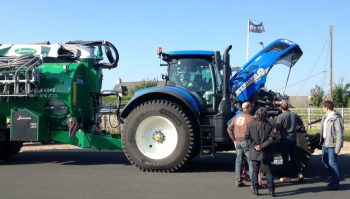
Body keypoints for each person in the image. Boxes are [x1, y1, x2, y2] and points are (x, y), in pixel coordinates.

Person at [245, 107, 275, 196]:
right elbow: (271, 138)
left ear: (257, 114)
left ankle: (255, 189)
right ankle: (271, 190)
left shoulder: (251, 124)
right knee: (269, 171)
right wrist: (261, 146)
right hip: (266, 150)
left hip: (255, 151)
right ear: (266, 115)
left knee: (255, 170)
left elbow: (247, 137)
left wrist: (256, 146)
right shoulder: (269, 125)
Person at [275, 100, 304, 182]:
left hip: (284, 139)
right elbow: (301, 124)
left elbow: (277, 129)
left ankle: (286, 176)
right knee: (294, 157)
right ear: (288, 107)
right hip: (293, 138)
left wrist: (274, 131)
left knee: (285, 158)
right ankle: (299, 174)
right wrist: (300, 128)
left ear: (281, 108)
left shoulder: (280, 117)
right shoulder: (294, 115)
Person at [227, 102, 253, 187]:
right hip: (246, 141)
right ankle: (254, 183)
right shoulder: (251, 118)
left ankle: (238, 181)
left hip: (238, 141)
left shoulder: (236, 117)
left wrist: (233, 139)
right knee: (250, 162)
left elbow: (229, 128)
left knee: (238, 161)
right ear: (248, 107)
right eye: (250, 107)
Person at [320, 100, 344, 190]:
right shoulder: (325, 116)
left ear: (326, 108)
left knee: (332, 163)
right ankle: (334, 178)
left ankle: (336, 182)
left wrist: (338, 148)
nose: (322, 108)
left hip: (332, 144)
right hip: (325, 143)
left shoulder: (336, 118)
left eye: (323, 107)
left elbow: (339, 133)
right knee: (325, 161)